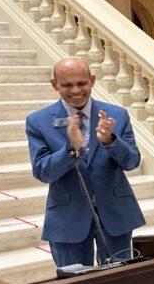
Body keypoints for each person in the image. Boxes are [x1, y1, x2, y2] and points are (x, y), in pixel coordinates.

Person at [25, 57, 145, 267]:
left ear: (92, 80)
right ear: (55, 85)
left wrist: (111, 141)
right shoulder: (38, 121)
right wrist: (71, 148)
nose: (76, 90)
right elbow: (43, 171)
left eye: (82, 83)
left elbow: (132, 161)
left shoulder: (117, 114)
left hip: (115, 214)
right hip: (67, 218)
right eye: (67, 85)